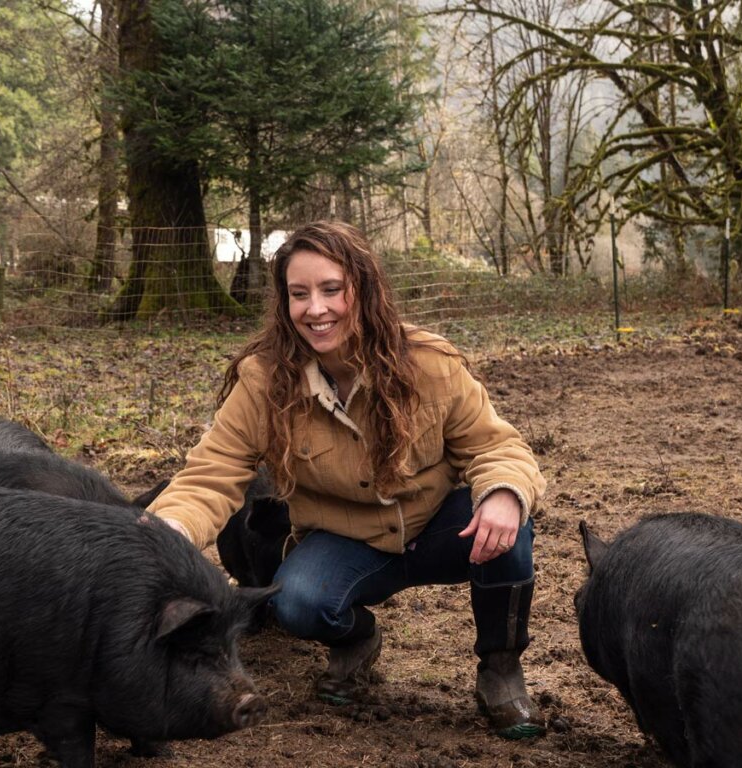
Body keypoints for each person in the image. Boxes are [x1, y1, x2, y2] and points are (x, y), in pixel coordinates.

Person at [148, 221, 547, 739]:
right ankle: (357, 640)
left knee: (509, 526)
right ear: (284, 302)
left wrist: (502, 494)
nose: (316, 309)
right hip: (348, 541)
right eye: (300, 294)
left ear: (363, 289)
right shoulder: (265, 381)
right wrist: (167, 533)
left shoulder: (430, 364)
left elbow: (498, 446)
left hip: (442, 530)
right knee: (295, 603)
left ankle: (501, 668)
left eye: (331, 289)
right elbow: (212, 472)